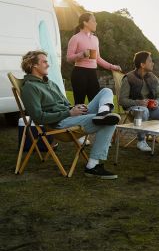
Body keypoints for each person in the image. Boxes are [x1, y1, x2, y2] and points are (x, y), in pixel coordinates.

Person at [20, 50, 121, 179]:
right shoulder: (30, 87)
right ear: (33, 65)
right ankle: (92, 166)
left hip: (71, 115)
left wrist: (75, 108)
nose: (48, 64)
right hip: (59, 124)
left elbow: (66, 104)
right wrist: (69, 112)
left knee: (106, 91)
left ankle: (102, 113)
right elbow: (38, 117)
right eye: (44, 61)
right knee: (109, 121)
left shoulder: (50, 83)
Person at [119, 51, 159, 156]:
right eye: (150, 61)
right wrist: (138, 102)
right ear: (142, 64)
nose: (152, 63)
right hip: (134, 109)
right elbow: (122, 100)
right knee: (143, 110)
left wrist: (157, 102)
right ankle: (141, 141)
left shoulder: (153, 78)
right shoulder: (129, 78)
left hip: (150, 109)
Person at [67, 12, 122, 105]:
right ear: (85, 23)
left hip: (92, 74)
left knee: (95, 104)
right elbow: (69, 58)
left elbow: (97, 59)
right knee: (79, 104)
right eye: (94, 21)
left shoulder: (95, 39)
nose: (96, 23)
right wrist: (82, 54)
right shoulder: (75, 38)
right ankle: (77, 119)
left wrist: (112, 67)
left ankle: (94, 119)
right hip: (79, 73)